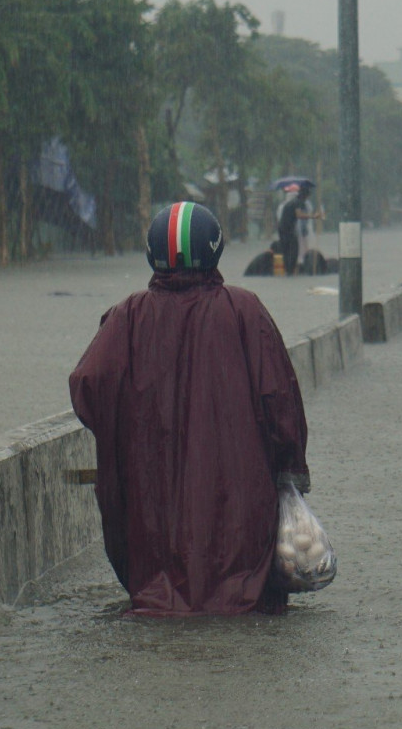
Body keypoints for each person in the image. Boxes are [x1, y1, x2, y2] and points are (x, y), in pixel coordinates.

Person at [69, 202, 311, 616]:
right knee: (238, 568)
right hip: (239, 497)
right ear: (215, 249)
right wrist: (291, 471)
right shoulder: (244, 311)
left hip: (154, 498)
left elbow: (88, 385)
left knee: (161, 563)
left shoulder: (127, 317)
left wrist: (135, 433)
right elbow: (280, 400)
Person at [275, 184, 310, 275]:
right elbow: (299, 215)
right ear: (305, 196)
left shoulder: (289, 203)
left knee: (286, 249)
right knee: (294, 249)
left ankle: (288, 270)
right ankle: (290, 270)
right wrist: (314, 216)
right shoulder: (297, 202)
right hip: (288, 228)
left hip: (282, 228)